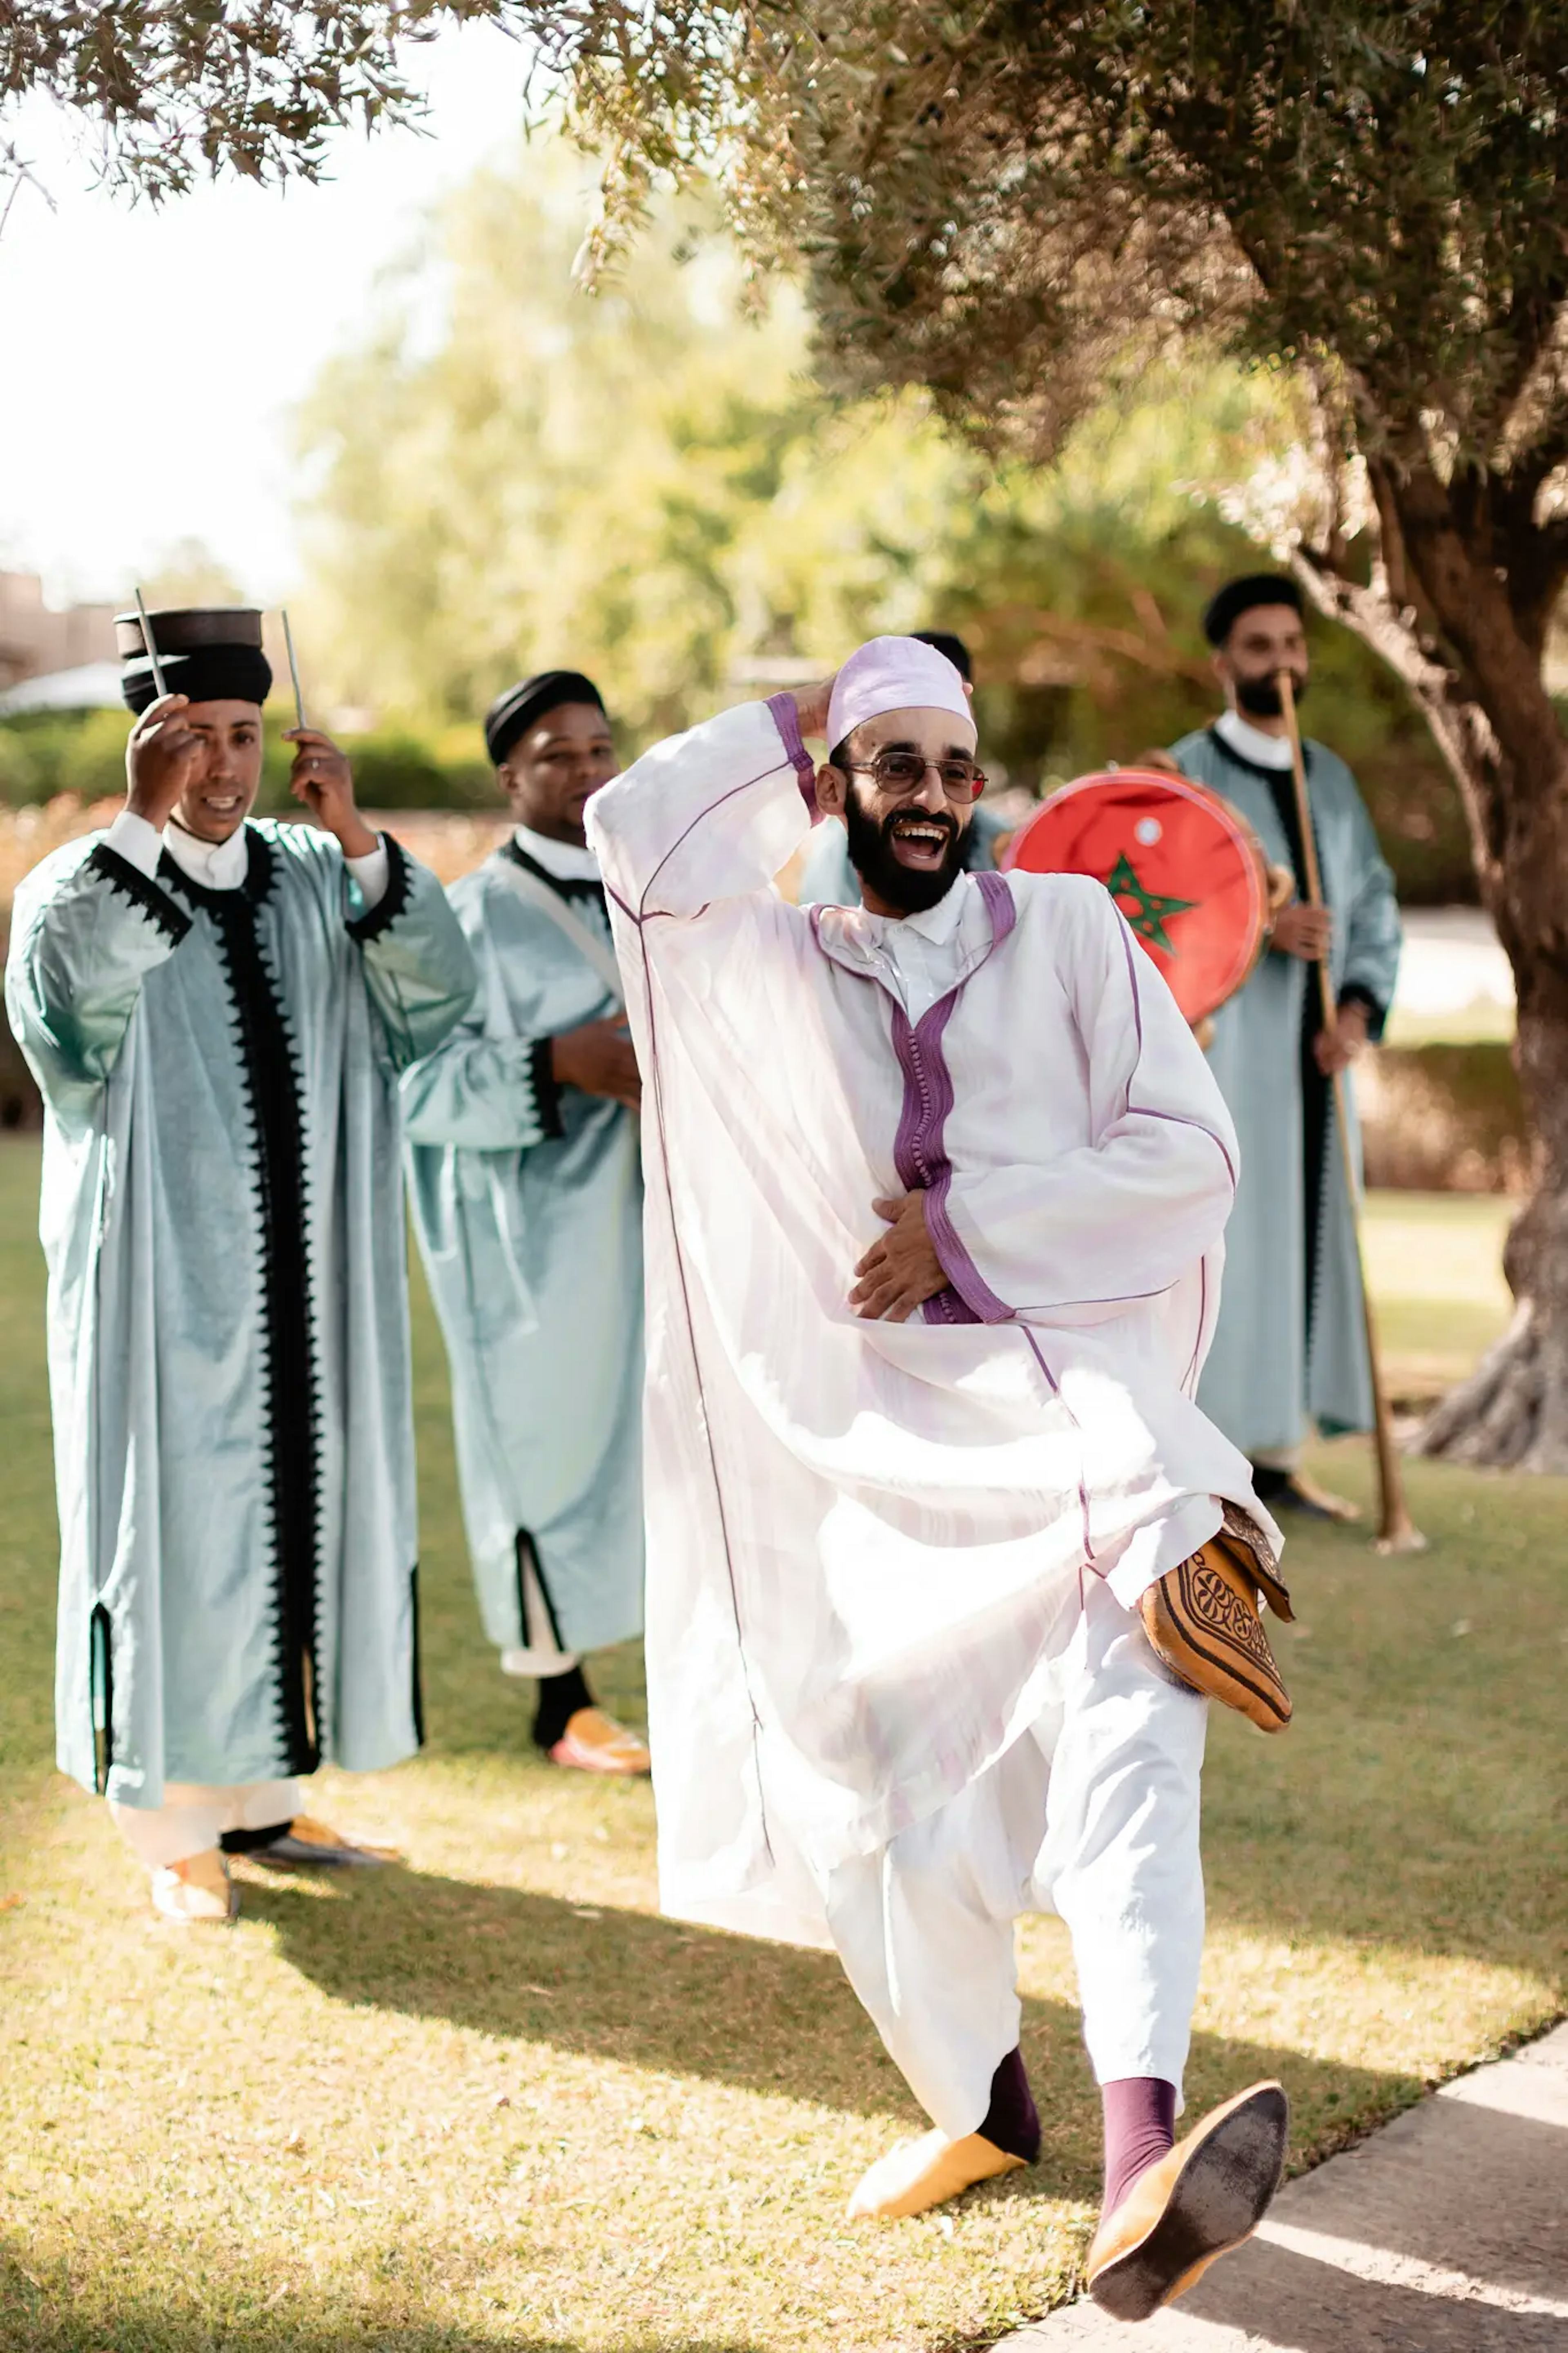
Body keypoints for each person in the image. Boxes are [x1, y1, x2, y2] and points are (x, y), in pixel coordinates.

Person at [586, 636, 1295, 2323]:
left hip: (1101, 1434)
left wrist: (966, 1234)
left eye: (953, 768)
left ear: (986, 787)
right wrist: (796, 706)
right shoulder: (764, 969)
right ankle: (984, 2104)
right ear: (837, 782)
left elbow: (1191, 1154)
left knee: (1141, 1724)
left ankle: (1143, 2167)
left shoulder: (1062, 930)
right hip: (886, 1464)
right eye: (889, 765)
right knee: (881, 1811)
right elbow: (636, 839)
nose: (928, 799)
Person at [4, 607, 477, 1924]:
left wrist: (360, 839)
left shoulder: (314, 871)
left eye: (242, 736)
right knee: (174, 1524)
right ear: (148, 742)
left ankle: (263, 1796)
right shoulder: (78, 882)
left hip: (311, 1279)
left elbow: (435, 1001)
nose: (221, 767)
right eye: (191, 738)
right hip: (162, 1278)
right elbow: (68, 1019)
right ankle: (167, 1823)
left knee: (297, 1514)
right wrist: (142, 825)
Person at [401, 672, 649, 1775]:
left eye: (603, 750)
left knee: (676, 1446)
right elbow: (413, 1083)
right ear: (510, 777)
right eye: (560, 755)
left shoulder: (658, 891)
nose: (590, 772)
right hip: (536, 1231)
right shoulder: (468, 917)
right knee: (548, 1447)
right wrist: (556, 1060)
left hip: (663, 1216)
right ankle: (562, 1699)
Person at [1165, 576, 1401, 1519]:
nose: (1281, 664)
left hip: (1315, 1065)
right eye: (1259, 648)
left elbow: (1373, 902)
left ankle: (1276, 1453)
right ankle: (1209, 1454)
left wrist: (1353, 1010)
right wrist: (1261, 925)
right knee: (1230, 1242)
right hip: (1225, 1063)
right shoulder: (1182, 776)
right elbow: (1152, 907)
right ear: (1222, 665)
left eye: (1291, 644)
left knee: (1301, 1238)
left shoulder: (1330, 778)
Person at [795, 631, 1011, 907]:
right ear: (833, 789)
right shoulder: (845, 847)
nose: (933, 801)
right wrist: (805, 712)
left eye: (955, 772)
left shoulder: (997, 838)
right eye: (899, 768)